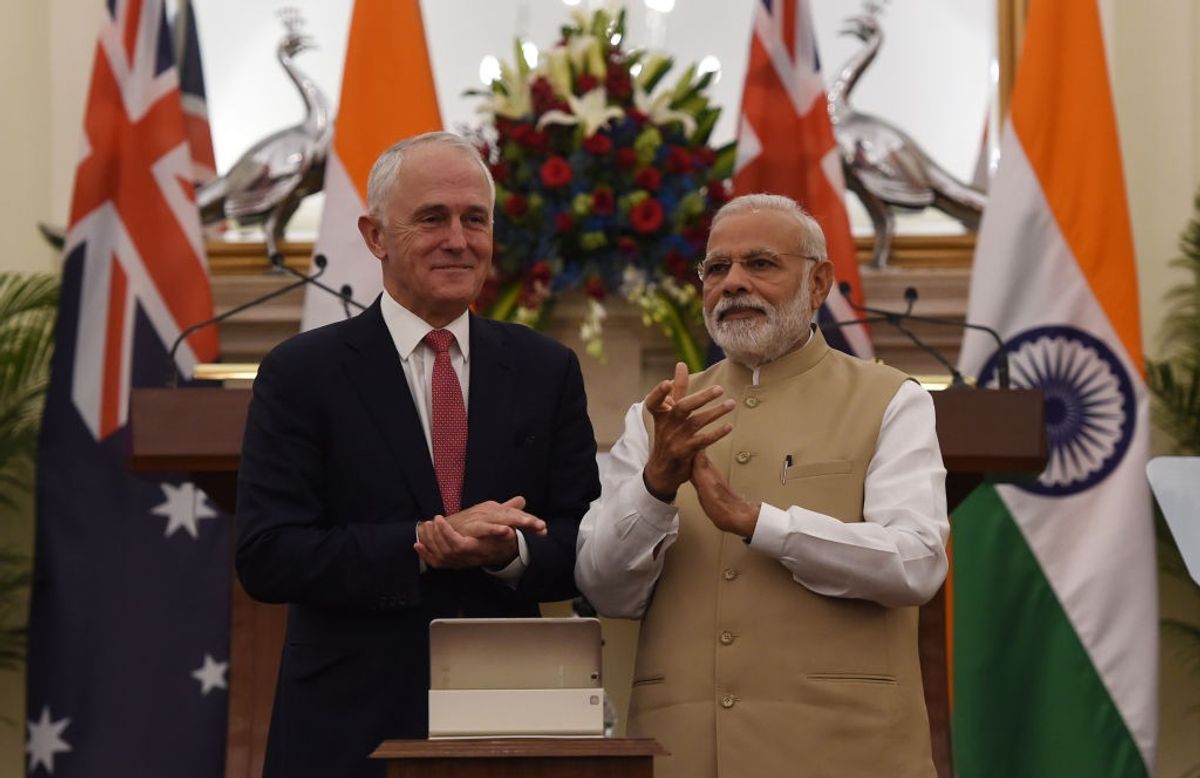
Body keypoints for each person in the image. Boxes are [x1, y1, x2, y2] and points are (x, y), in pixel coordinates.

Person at [236, 131, 600, 778]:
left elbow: (584, 542)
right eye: (432, 218)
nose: (458, 239)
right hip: (349, 733)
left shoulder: (546, 370)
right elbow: (268, 555)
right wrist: (420, 543)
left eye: (475, 219)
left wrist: (509, 553)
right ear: (375, 236)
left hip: (513, 728)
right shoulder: (302, 374)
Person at [576, 193, 948, 778]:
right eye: (717, 269)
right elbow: (604, 592)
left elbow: (917, 561)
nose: (733, 284)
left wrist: (760, 523)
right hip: (681, 753)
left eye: (761, 264)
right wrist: (653, 490)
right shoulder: (656, 418)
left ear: (819, 283)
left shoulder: (890, 399)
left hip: (843, 752)